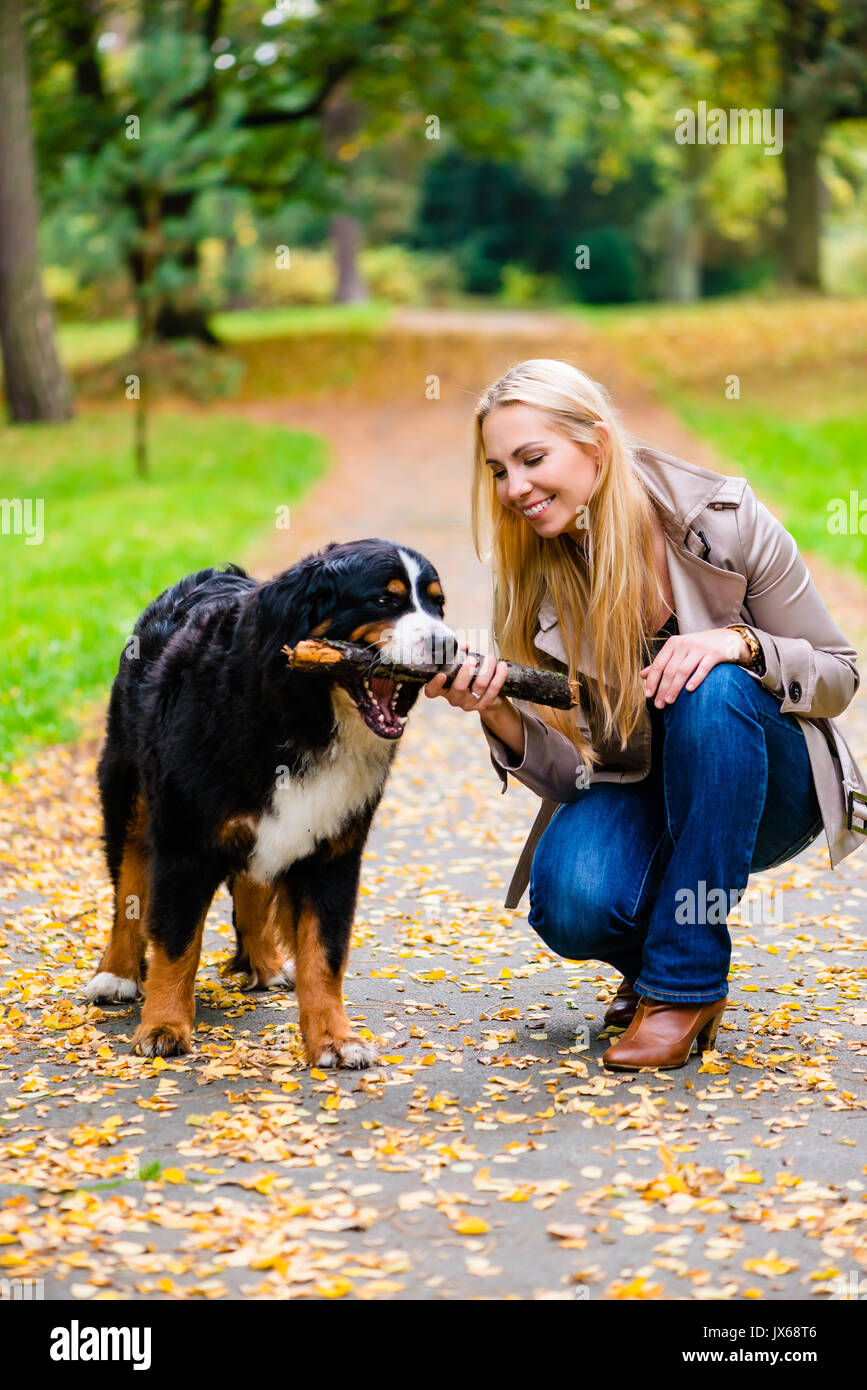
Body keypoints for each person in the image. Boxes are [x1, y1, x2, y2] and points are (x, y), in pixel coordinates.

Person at [424, 359, 867, 1071]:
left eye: (532, 459)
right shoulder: (536, 573)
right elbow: (573, 773)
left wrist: (739, 643)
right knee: (569, 903)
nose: (514, 489)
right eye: (499, 470)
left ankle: (681, 986)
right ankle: (662, 954)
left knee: (713, 685)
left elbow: (838, 675)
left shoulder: (721, 519)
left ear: (595, 444)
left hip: (767, 786)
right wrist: (500, 714)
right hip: (644, 787)